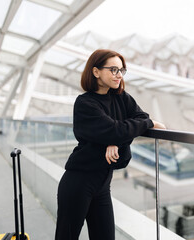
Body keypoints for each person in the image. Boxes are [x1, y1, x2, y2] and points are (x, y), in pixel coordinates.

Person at [55, 49, 166, 240]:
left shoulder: (121, 97)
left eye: (121, 70)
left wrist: (114, 140)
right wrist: (123, 132)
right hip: (79, 182)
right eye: (113, 69)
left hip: (103, 184)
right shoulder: (85, 103)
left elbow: (136, 120)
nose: (119, 75)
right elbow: (120, 128)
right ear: (96, 71)